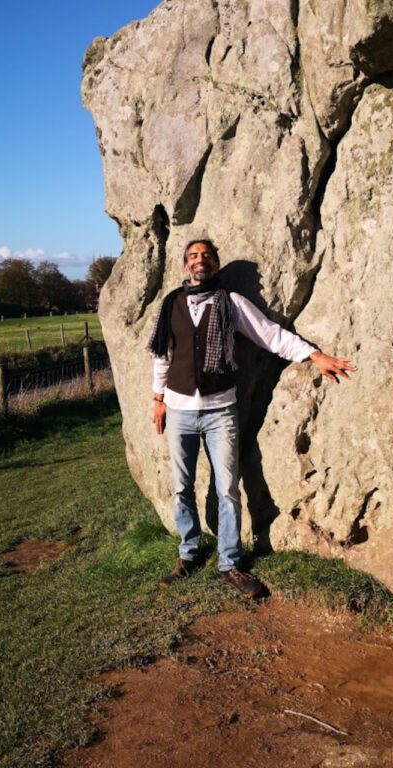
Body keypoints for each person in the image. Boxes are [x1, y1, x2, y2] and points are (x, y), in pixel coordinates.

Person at [149, 239, 355, 598]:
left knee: (227, 489)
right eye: (194, 256)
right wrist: (158, 399)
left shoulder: (232, 303)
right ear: (186, 266)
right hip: (180, 409)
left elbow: (271, 336)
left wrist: (315, 356)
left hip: (220, 411)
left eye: (207, 256)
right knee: (181, 487)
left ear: (216, 264)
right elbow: (163, 357)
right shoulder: (171, 304)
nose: (200, 261)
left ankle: (229, 563)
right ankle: (189, 553)